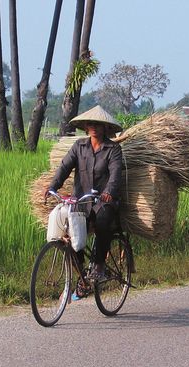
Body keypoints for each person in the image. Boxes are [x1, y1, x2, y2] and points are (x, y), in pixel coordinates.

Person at [46, 105, 123, 279]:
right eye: (91, 124)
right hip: (82, 200)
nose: (94, 128)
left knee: (103, 223)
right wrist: (53, 186)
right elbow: (64, 167)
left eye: (98, 124)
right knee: (70, 230)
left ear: (105, 128)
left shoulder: (113, 149)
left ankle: (99, 265)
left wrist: (109, 191)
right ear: (86, 127)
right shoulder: (79, 146)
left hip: (104, 201)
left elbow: (116, 174)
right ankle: (81, 274)